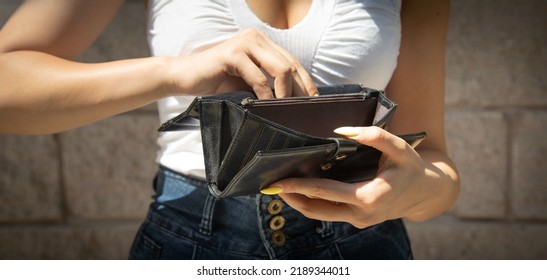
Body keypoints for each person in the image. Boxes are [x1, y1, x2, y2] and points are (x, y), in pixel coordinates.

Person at [0, 0, 460, 259]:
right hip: (192, 236)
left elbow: (434, 158)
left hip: (361, 243)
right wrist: (175, 72)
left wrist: (413, 189)